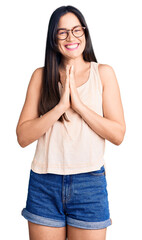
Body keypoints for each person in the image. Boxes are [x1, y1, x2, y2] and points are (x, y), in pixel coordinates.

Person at [16, 5, 126, 240]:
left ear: (85, 33)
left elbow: (118, 134)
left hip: (90, 183)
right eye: (62, 32)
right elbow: (23, 137)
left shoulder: (104, 73)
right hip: (44, 184)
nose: (71, 37)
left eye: (77, 30)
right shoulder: (40, 76)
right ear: (53, 38)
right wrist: (60, 108)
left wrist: (79, 106)